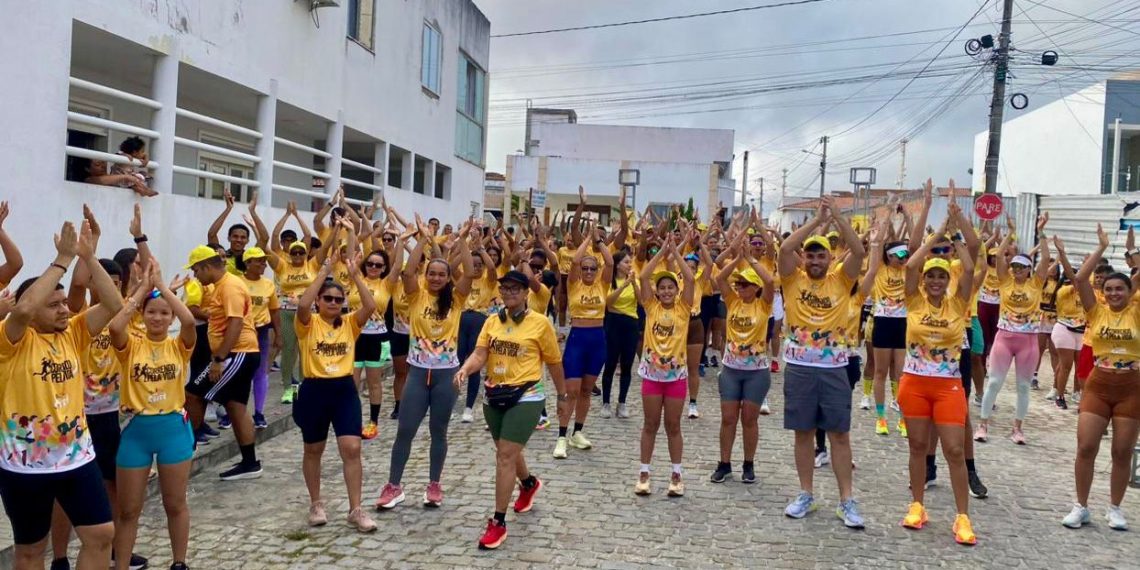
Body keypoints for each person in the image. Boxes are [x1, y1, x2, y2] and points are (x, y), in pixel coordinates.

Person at [0, 219, 120, 570]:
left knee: (101, 535)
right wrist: (62, 260)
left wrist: (88, 255)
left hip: (77, 459)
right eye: (53, 304)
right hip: (24, 465)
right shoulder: (11, 341)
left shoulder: (74, 333)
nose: (65, 309)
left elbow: (115, 305)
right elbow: (21, 310)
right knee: (30, 551)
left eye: (65, 302)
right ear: (34, 307)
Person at [455, 270, 568, 550]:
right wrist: (465, 369)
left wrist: (563, 395)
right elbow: (481, 353)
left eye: (515, 288)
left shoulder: (540, 324)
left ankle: (498, 522)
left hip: (527, 394)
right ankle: (528, 483)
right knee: (508, 451)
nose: (509, 293)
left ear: (526, 292)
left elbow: (553, 362)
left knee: (505, 455)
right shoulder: (492, 321)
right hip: (495, 393)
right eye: (505, 288)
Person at [777, 197, 867, 529]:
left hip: (834, 369)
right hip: (799, 367)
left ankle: (847, 500)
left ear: (830, 258)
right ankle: (806, 494)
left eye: (821, 254)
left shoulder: (842, 280)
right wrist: (816, 222)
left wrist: (840, 218)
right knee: (803, 432)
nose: (815, 259)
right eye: (811, 254)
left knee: (839, 435)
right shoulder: (792, 278)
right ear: (805, 258)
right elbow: (785, 249)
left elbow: (858, 252)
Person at [375, 217, 473, 510]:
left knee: (438, 431)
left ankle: (434, 484)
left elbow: (469, 271)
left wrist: (465, 239)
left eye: (442, 274)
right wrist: (424, 238)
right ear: (426, 275)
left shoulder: (456, 299)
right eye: (431, 273)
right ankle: (394, 486)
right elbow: (407, 271)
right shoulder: (415, 295)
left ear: (448, 278)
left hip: (446, 376)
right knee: (405, 429)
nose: (436, 278)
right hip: (418, 373)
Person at [109, 262, 197, 570]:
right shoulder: (131, 346)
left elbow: (188, 320)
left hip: (172, 427)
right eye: (151, 312)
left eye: (164, 313)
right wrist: (142, 291)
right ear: (142, 315)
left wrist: (165, 290)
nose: (158, 317)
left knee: (174, 503)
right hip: (137, 431)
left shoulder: (178, 346)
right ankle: (120, 565)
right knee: (128, 509)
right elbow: (115, 327)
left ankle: (179, 562)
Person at [896, 216, 978, 546]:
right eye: (931, 275)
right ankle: (918, 505)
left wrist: (955, 233)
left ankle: (962, 517)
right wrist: (933, 239)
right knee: (917, 447)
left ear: (948, 280)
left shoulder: (959, 303)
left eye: (941, 276)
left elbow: (970, 269)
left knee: (954, 450)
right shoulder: (913, 300)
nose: (934, 280)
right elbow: (911, 266)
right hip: (914, 382)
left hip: (948, 386)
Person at [293, 247, 379, 532]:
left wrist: (355, 276)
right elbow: (303, 305)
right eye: (327, 298)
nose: (332, 302)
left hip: (343, 389)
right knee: (313, 449)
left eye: (338, 299)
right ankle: (316, 503)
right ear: (320, 300)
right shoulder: (308, 323)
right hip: (314, 390)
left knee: (351, 447)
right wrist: (324, 271)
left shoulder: (350, 323)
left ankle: (356, 508)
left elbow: (369, 307)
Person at [1061, 228, 1140, 531]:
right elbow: (1080, 279)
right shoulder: (1096, 312)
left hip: (1131, 388)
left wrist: (1132, 252)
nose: (1114, 294)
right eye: (1109, 290)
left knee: (1121, 451)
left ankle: (1115, 508)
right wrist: (1102, 246)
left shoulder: (1137, 311)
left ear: (1129, 290)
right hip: (1098, 386)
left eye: (1120, 289)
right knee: (1086, 447)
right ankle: (1081, 506)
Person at [183, 241, 264, 480]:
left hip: (237, 353)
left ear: (207, 266)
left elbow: (235, 323)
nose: (195, 275)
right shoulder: (220, 286)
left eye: (196, 270)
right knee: (235, 406)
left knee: (193, 394)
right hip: (234, 353)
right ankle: (250, 463)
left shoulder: (230, 286)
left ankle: (186, 452)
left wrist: (218, 359)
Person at [975, 215, 1050, 444]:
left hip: (1028, 340)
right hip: (1005, 337)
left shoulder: (1036, 283)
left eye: (1022, 267)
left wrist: (1042, 232)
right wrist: (1009, 233)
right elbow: (998, 255)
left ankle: (1017, 428)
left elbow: (1046, 258)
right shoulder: (1005, 282)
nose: (1017, 270)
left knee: (1024, 386)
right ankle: (983, 424)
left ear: (1029, 270)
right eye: (1015, 266)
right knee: (995, 382)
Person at [709, 233, 774, 485]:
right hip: (731, 369)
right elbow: (719, 277)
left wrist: (751, 260)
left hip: (756, 371)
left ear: (756, 288)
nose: (741, 288)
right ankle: (724, 463)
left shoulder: (764, 304)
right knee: (728, 418)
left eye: (746, 285)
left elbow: (769, 281)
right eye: (740, 285)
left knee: (749, 419)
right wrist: (738, 259)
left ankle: (749, 463)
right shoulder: (732, 300)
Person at [634, 239, 695, 497]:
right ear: (657, 292)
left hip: (676, 377)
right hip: (652, 376)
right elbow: (645, 275)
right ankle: (644, 472)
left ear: (676, 290)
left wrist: (676, 254)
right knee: (650, 424)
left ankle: (676, 474)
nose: (667, 291)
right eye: (663, 288)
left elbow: (691, 280)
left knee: (673, 426)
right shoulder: (651, 306)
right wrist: (662, 252)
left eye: (671, 287)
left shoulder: (683, 307)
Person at [554, 215, 613, 458]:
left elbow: (609, 262)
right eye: (586, 269)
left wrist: (599, 242)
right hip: (578, 337)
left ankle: (578, 431)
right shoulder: (574, 285)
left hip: (598, 338)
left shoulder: (602, 284)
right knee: (572, 390)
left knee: (588, 390)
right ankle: (561, 436)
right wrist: (588, 237)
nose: (588, 271)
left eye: (592, 268)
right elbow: (576, 261)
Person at [267, 203, 319, 404]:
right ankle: (288, 387)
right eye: (293, 251)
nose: (296, 254)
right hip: (286, 311)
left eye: (300, 251)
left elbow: (307, 237)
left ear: (305, 253)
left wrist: (296, 215)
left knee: (307, 348)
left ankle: (306, 385)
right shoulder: (281, 262)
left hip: (308, 312)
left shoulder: (311, 264)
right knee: (288, 350)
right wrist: (285, 215)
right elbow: (271, 239)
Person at [351, 248, 398, 439]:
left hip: (377, 337)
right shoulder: (355, 278)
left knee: (374, 383)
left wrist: (401, 241)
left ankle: (373, 422)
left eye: (378, 265)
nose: (373, 267)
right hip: (354, 337)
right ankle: (352, 419)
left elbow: (397, 266)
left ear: (383, 268)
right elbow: (349, 257)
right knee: (351, 382)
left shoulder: (386, 284)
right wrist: (352, 229)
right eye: (370, 264)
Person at [458, 245, 502, 423]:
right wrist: (464, 246)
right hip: (461, 320)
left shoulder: (487, 280)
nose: (476, 268)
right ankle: (450, 400)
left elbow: (492, 268)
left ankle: (469, 407)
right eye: (472, 264)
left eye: (479, 265)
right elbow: (451, 267)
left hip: (479, 320)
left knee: (474, 364)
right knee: (457, 361)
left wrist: (482, 249)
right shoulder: (463, 278)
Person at [240, 247, 281, 430]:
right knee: (240, 373)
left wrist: (279, 333)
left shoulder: (268, 285)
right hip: (241, 332)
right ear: (248, 263)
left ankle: (259, 412)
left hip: (262, 331)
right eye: (259, 261)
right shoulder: (237, 283)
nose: (264, 264)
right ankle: (234, 412)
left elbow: (274, 310)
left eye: (264, 261)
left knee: (261, 372)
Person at [601, 251, 639, 419]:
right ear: (617, 265)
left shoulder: (633, 281)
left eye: (630, 262)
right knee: (610, 363)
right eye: (626, 262)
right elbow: (608, 303)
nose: (629, 265)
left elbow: (642, 301)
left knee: (627, 364)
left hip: (630, 323)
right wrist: (624, 285)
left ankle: (622, 402)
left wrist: (634, 283)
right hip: (613, 323)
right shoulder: (610, 281)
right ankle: (606, 402)